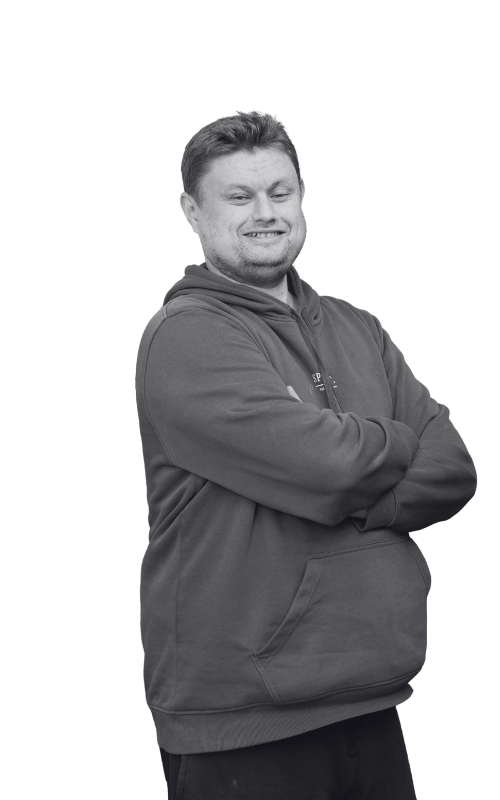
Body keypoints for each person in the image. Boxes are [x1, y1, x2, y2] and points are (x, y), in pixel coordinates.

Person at [135, 111, 476, 799]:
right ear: (193, 212)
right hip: (242, 719)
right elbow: (332, 466)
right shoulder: (188, 336)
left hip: (368, 692)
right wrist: (390, 443)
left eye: (280, 192)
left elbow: (452, 468)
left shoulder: (356, 327)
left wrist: (348, 475)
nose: (265, 213)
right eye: (239, 197)